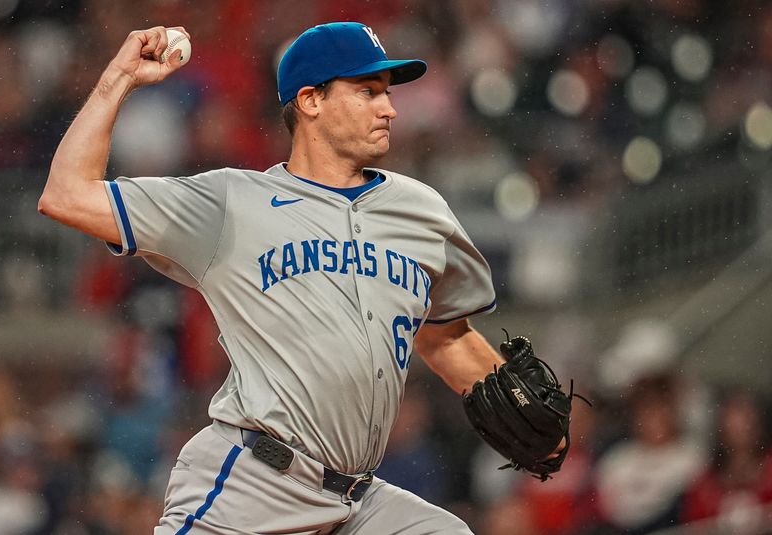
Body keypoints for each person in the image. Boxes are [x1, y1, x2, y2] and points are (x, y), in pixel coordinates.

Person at [38, 22, 552, 534]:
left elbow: (445, 335)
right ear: (310, 100)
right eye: (368, 92)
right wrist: (120, 78)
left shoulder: (422, 211)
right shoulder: (230, 203)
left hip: (357, 498)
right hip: (253, 485)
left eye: (387, 93)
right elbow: (67, 194)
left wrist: (535, 420)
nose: (389, 108)